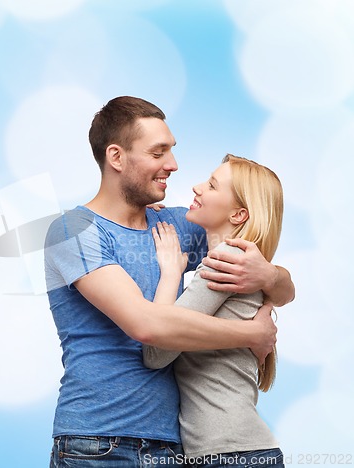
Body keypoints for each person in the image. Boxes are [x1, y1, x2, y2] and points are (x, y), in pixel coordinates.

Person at [44, 96, 294, 467]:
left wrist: (271, 275)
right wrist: (251, 335)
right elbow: (146, 325)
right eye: (158, 153)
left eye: (171, 152)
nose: (173, 166)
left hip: (175, 448)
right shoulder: (73, 231)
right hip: (97, 441)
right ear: (116, 158)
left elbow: (257, 259)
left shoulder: (175, 225)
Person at [143, 154, 286, 467]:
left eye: (211, 185)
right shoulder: (243, 261)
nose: (196, 187)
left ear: (238, 215)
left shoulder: (226, 261)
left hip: (228, 455)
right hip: (238, 451)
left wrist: (171, 273)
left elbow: (156, 353)